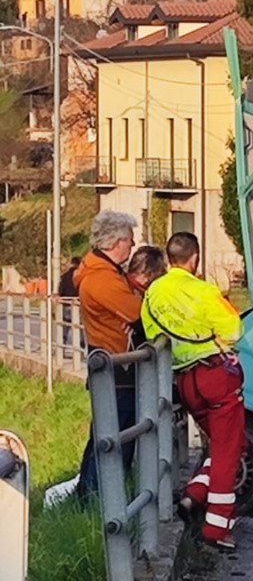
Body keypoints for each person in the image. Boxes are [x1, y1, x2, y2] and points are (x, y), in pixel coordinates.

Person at [142, 233, 245, 550]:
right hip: (215, 376)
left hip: (185, 383)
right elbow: (234, 330)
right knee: (229, 451)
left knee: (220, 447)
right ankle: (217, 528)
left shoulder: (153, 293)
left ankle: (194, 495)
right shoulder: (204, 291)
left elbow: (151, 333)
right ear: (195, 259)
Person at [73, 212, 141, 500]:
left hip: (111, 368)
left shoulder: (102, 273)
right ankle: (99, 501)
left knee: (103, 439)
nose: (133, 244)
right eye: (129, 239)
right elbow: (140, 314)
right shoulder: (103, 279)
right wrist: (137, 310)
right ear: (115, 242)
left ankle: (89, 499)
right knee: (114, 442)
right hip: (117, 370)